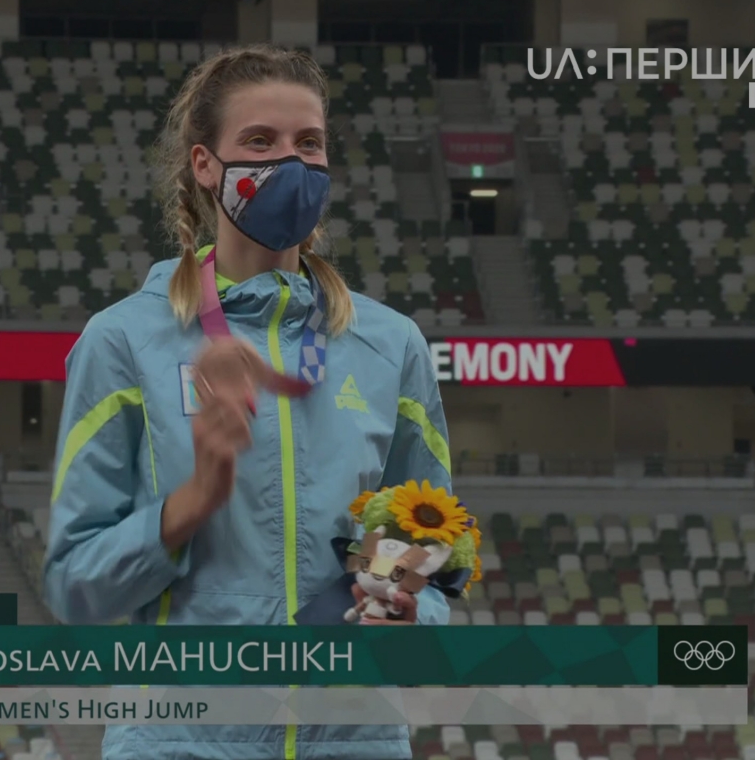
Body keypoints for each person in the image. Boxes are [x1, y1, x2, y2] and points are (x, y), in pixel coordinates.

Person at [42, 44, 455, 760]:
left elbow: (435, 543)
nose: (291, 163)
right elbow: (75, 586)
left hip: (355, 741)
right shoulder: (124, 341)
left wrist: (409, 609)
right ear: (206, 165)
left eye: (309, 144)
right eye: (260, 142)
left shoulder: (392, 345)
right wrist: (191, 502)